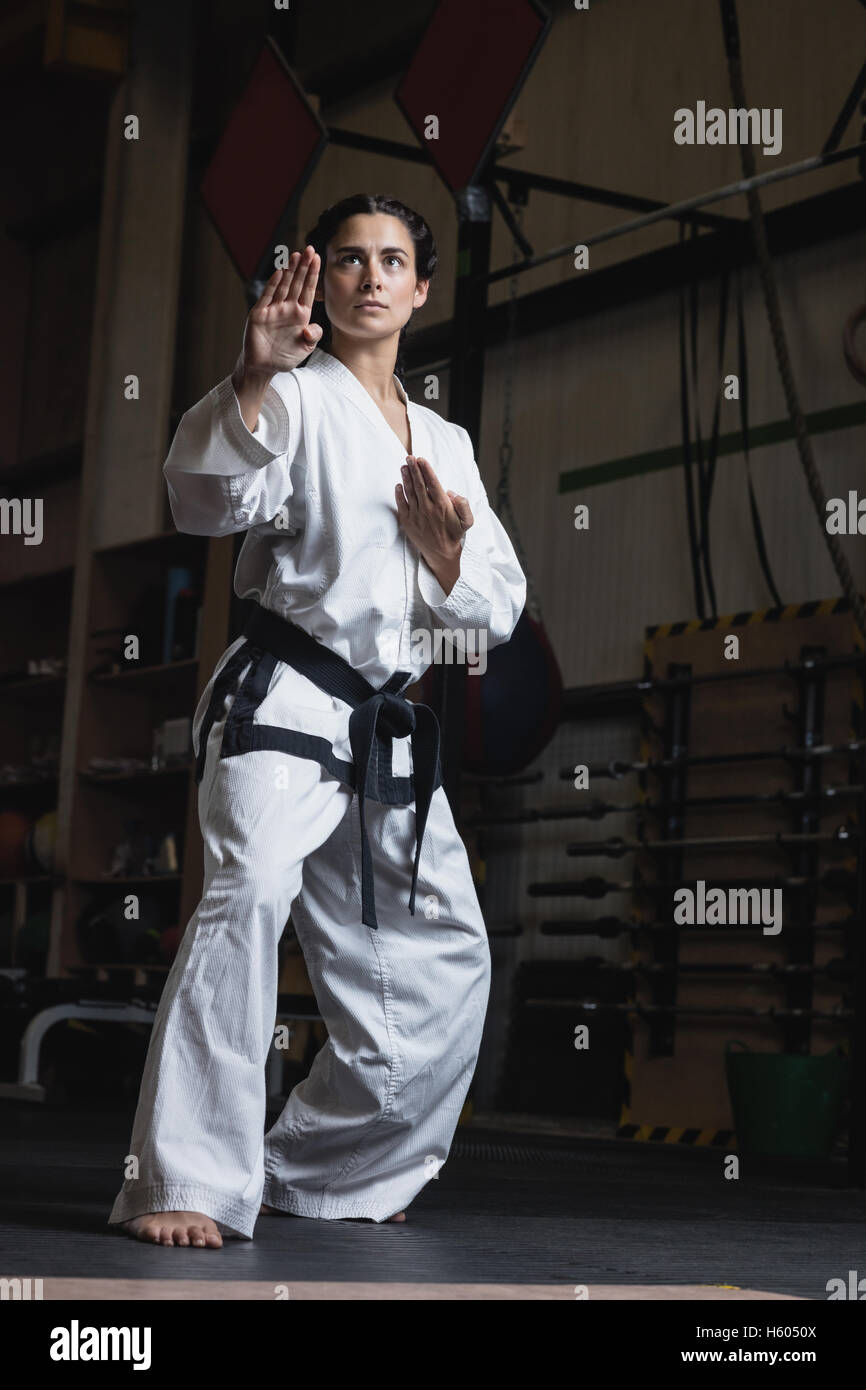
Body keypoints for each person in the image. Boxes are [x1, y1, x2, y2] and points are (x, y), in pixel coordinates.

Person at [108, 193, 526, 1247]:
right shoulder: (291, 399)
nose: (370, 276)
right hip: (284, 700)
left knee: (447, 962)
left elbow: (496, 603)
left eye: (392, 260)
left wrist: (446, 563)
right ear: (321, 281)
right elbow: (203, 501)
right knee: (245, 897)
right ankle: (187, 1180)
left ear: (420, 289)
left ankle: (310, 1171)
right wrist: (250, 377)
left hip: (383, 731)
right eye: (348, 259)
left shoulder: (446, 440)